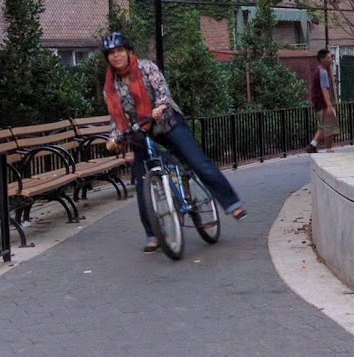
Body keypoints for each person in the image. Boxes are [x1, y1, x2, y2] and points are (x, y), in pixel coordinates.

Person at [99, 32, 246, 252]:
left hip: (167, 123)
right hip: (141, 132)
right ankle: (153, 234)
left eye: (119, 51)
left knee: (198, 162)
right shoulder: (110, 87)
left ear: (129, 52)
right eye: (111, 53)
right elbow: (116, 118)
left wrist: (159, 107)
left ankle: (231, 203)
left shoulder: (147, 68)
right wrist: (113, 138)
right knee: (141, 181)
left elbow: (162, 92)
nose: (116, 56)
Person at [307, 48, 337, 153]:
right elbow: (324, 89)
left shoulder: (318, 70)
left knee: (323, 125)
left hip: (318, 103)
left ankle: (313, 144)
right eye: (328, 58)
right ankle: (329, 149)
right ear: (322, 59)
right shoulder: (323, 72)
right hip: (323, 104)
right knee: (329, 126)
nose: (331, 60)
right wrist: (329, 105)